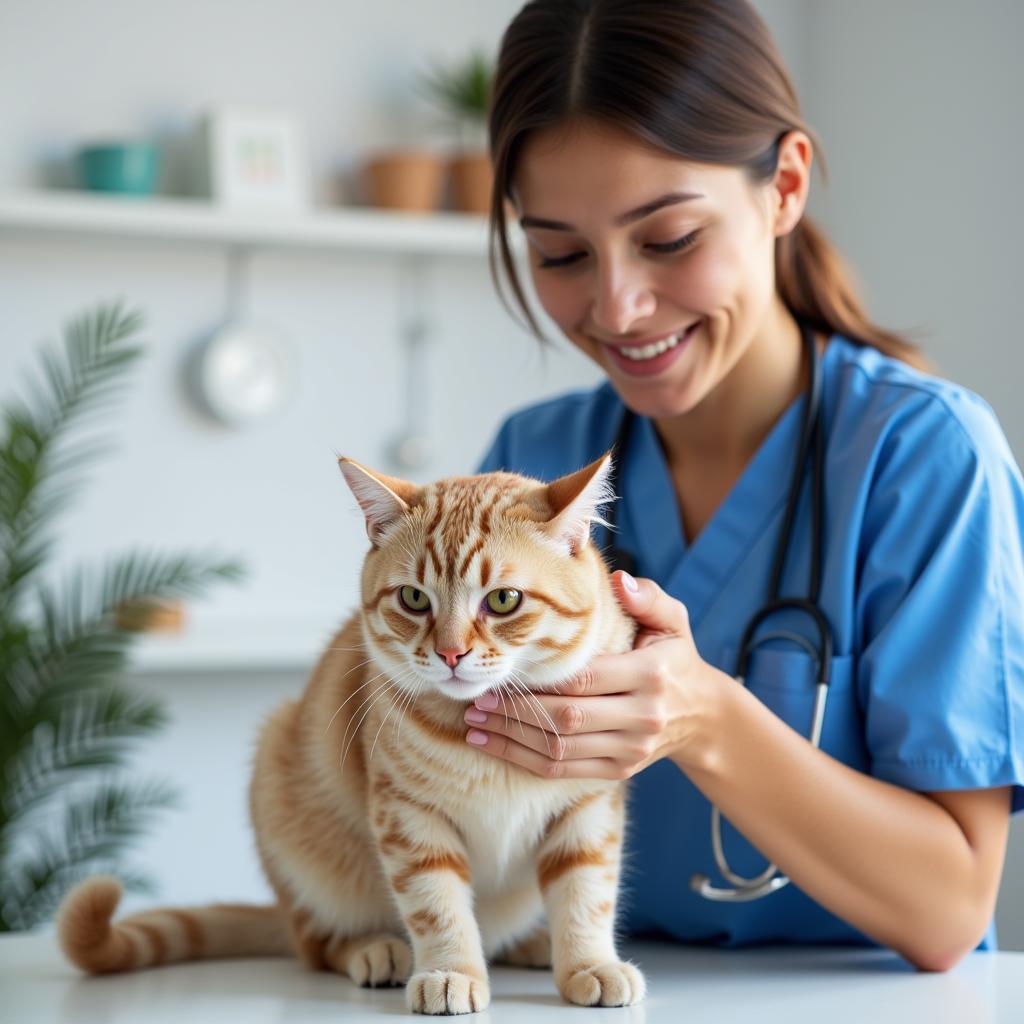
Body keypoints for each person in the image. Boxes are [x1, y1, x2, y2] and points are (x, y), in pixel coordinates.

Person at [464, 0, 1024, 972]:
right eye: (559, 253)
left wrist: (704, 715)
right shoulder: (535, 460)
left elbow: (948, 904)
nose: (616, 307)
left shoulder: (923, 457)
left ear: (785, 186)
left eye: (669, 237)